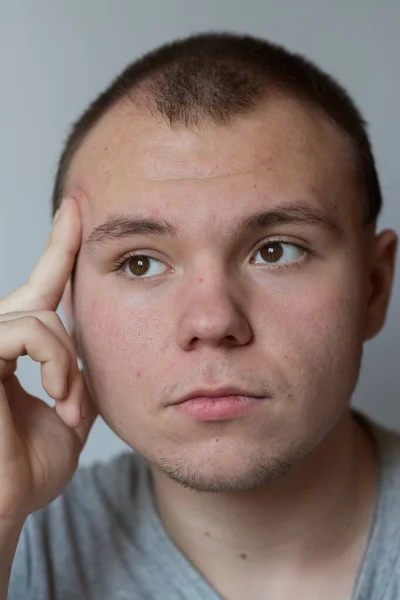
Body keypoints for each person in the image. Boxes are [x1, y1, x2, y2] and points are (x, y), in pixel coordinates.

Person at [1, 31, 399, 600]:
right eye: (140, 263)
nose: (212, 322)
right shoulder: (16, 542)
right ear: (68, 306)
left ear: (374, 287)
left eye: (276, 250)